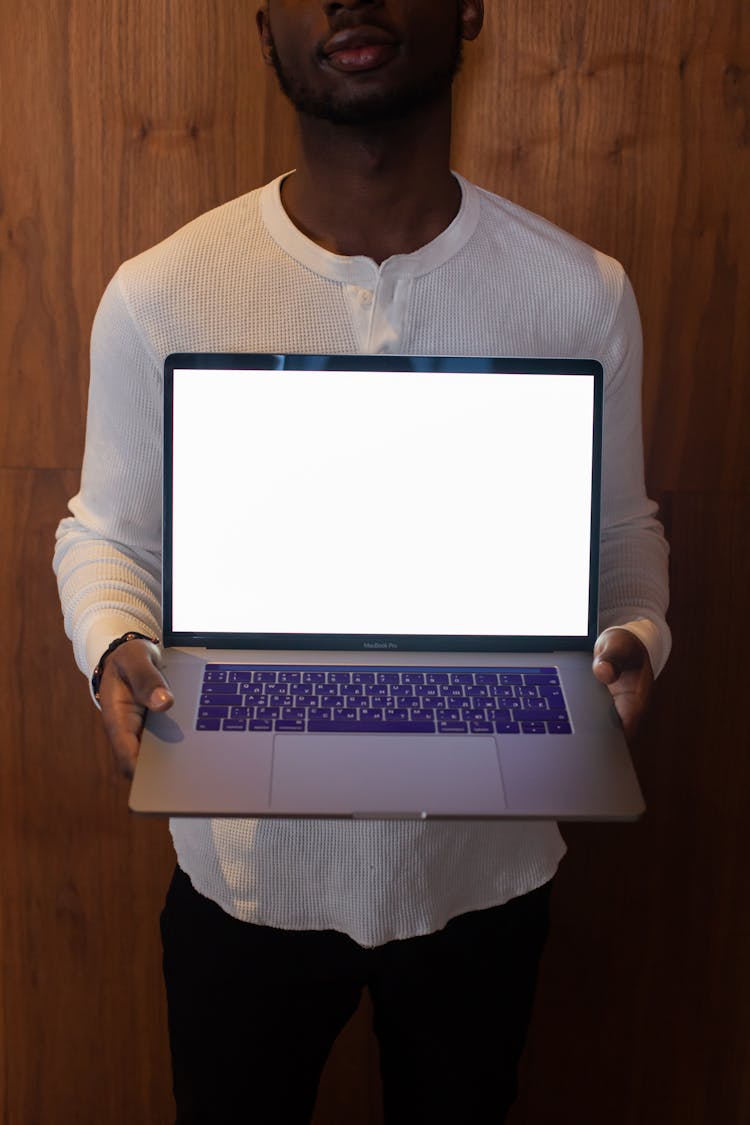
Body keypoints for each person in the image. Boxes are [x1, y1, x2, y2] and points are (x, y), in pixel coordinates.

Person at [54, 1, 671, 1121]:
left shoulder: (580, 294)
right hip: (243, 882)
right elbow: (105, 532)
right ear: (262, 24)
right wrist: (113, 646)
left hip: (484, 879)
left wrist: (635, 637)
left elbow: (623, 538)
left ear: (471, 7)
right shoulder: (162, 292)